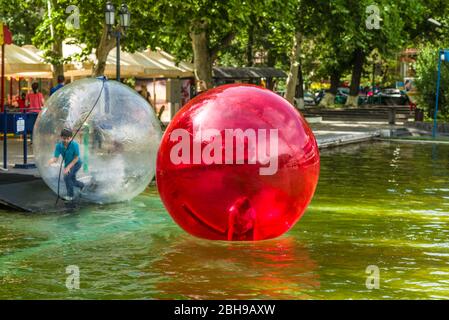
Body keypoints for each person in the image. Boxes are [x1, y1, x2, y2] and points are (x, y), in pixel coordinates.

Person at [48, 128, 85, 201]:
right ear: (61, 137)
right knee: (72, 180)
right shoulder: (59, 146)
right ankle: (82, 185)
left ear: (71, 138)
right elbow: (56, 158)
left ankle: (70, 196)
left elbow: (76, 158)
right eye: (64, 138)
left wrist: (68, 168)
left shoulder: (74, 145)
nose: (66, 141)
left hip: (76, 163)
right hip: (68, 163)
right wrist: (50, 161)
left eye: (68, 139)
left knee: (67, 177)